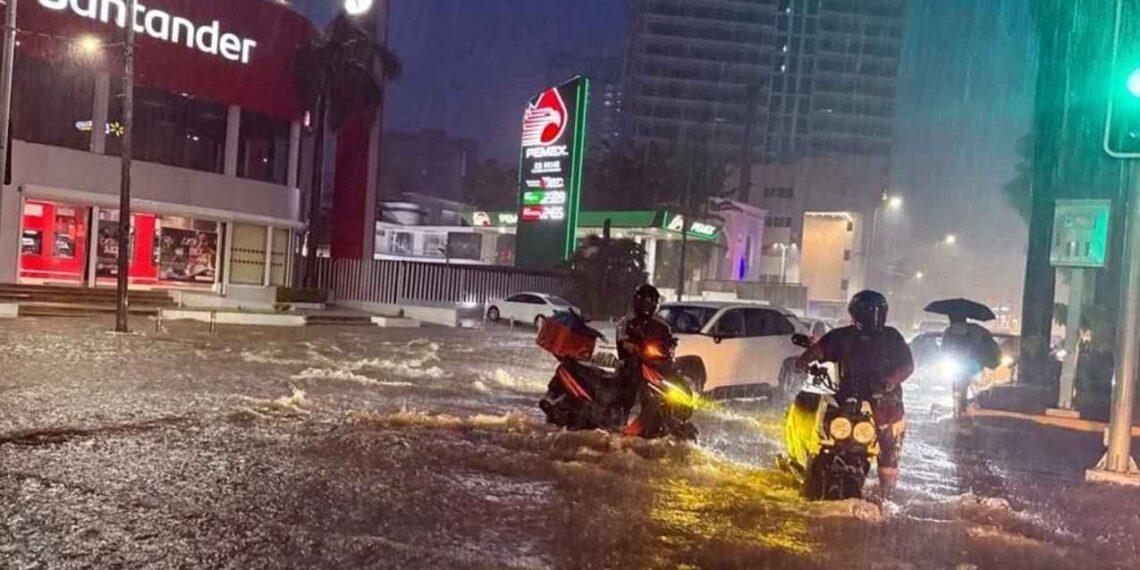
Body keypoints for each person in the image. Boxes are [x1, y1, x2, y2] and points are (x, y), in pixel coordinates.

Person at [796, 290, 914, 501]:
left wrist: (891, 381)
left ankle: (886, 497)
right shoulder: (842, 336)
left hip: (885, 406)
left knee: (888, 451)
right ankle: (810, 473)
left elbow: (907, 365)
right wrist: (804, 361)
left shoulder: (891, 337)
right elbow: (819, 350)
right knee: (824, 435)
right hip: (847, 402)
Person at [941, 314, 1000, 418]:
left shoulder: (949, 331)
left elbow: (943, 350)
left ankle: (969, 408)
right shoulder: (975, 329)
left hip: (972, 364)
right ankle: (964, 408)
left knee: (970, 387)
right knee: (965, 387)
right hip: (966, 364)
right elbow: (944, 350)